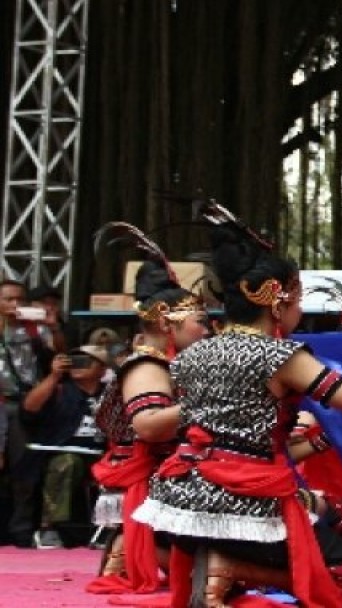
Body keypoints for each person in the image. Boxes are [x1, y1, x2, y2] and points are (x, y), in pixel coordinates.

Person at [133, 203, 342, 607]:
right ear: (277, 304)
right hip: (245, 499)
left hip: (182, 493)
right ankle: (229, 567)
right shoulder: (280, 356)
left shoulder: (194, 354)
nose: (299, 310)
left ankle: (222, 572)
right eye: (297, 300)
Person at [87, 253, 209, 592]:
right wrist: (215, 403)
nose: (206, 329)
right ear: (166, 324)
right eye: (200, 320)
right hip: (154, 473)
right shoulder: (147, 367)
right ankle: (132, 546)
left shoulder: (170, 365)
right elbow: (149, 426)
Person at [21, 345, 110, 549]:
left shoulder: (111, 393)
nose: (77, 365)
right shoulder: (59, 389)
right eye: (74, 360)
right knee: (66, 463)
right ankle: (47, 528)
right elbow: (29, 408)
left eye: (86, 361)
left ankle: (109, 529)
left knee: (123, 467)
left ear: (102, 370)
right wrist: (54, 375)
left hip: (100, 454)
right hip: (62, 453)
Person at [0, 279, 58, 546]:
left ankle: (21, 531)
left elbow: (58, 355)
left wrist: (52, 326)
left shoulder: (35, 329)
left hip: (27, 404)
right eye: (8, 299)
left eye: (20, 300)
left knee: (24, 468)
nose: (15, 305)